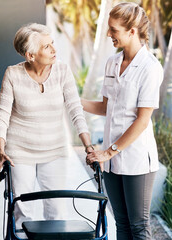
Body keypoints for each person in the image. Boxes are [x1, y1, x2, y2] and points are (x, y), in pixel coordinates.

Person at [0, 23, 94, 233]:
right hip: (19, 152)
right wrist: (1, 151)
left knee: (57, 210)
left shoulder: (62, 70)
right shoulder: (13, 74)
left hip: (54, 150)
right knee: (22, 211)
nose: (54, 50)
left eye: (52, 44)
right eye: (47, 47)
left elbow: (75, 108)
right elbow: (2, 114)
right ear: (30, 55)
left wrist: (88, 146)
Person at [82, 3, 163, 239]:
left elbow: (142, 120)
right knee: (122, 224)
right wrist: (73, 101)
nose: (109, 34)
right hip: (112, 161)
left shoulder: (150, 67)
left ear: (132, 31)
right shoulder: (112, 63)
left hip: (136, 159)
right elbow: (105, 107)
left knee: (139, 226)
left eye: (113, 30)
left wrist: (108, 152)